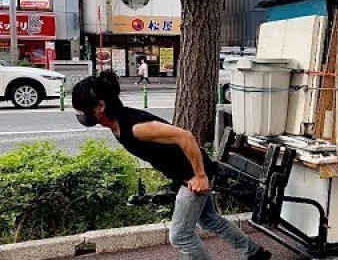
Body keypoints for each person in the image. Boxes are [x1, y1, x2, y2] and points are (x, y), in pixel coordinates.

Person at [72, 70, 271, 260]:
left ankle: (253, 252)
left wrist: (200, 176)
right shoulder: (117, 125)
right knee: (210, 219)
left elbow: (185, 136)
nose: (80, 115)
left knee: (180, 236)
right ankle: (254, 253)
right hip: (187, 175)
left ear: (100, 106)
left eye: (82, 111)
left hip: (193, 176)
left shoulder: (135, 128)